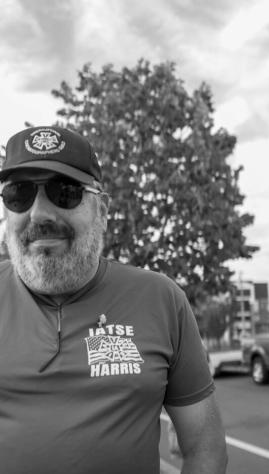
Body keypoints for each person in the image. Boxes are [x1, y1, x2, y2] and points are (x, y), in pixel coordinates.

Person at [0, 126, 228, 474]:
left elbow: (205, 447)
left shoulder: (161, 299)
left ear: (102, 210)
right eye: (19, 193)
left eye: (66, 192)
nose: (40, 214)